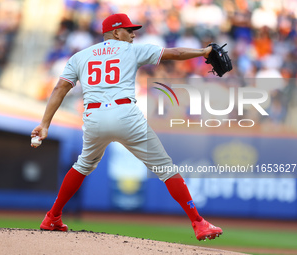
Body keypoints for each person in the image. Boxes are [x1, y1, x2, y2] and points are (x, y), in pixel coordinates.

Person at [31, 13, 222, 241]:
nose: (133, 34)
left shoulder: (80, 56)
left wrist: (44, 123)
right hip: (125, 115)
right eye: (129, 30)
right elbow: (177, 53)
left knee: (83, 165)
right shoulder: (131, 49)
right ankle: (198, 223)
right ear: (115, 32)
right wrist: (203, 52)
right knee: (166, 168)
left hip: (94, 116)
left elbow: (60, 88)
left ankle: (52, 216)